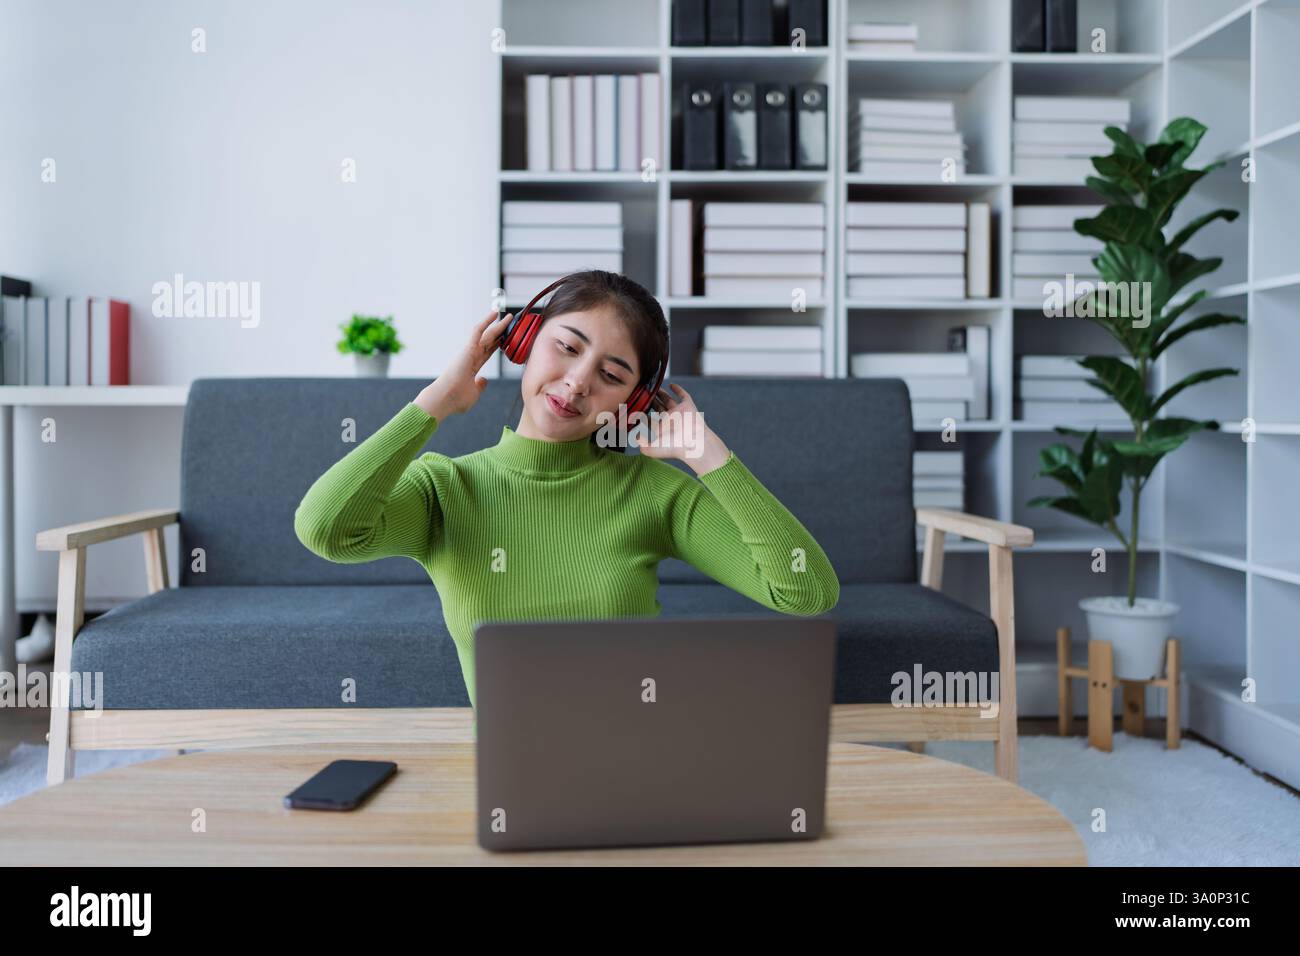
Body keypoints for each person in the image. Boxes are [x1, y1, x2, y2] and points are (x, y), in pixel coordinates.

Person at [294, 270, 839, 712]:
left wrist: (708, 455)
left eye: (612, 373)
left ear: (635, 402)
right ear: (524, 342)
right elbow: (326, 529)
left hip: (647, 761)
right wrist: (436, 401)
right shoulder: (446, 488)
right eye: (567, 347)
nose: (579, 381)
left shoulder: (654, 495)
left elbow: (804, 591)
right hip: (513, 783)